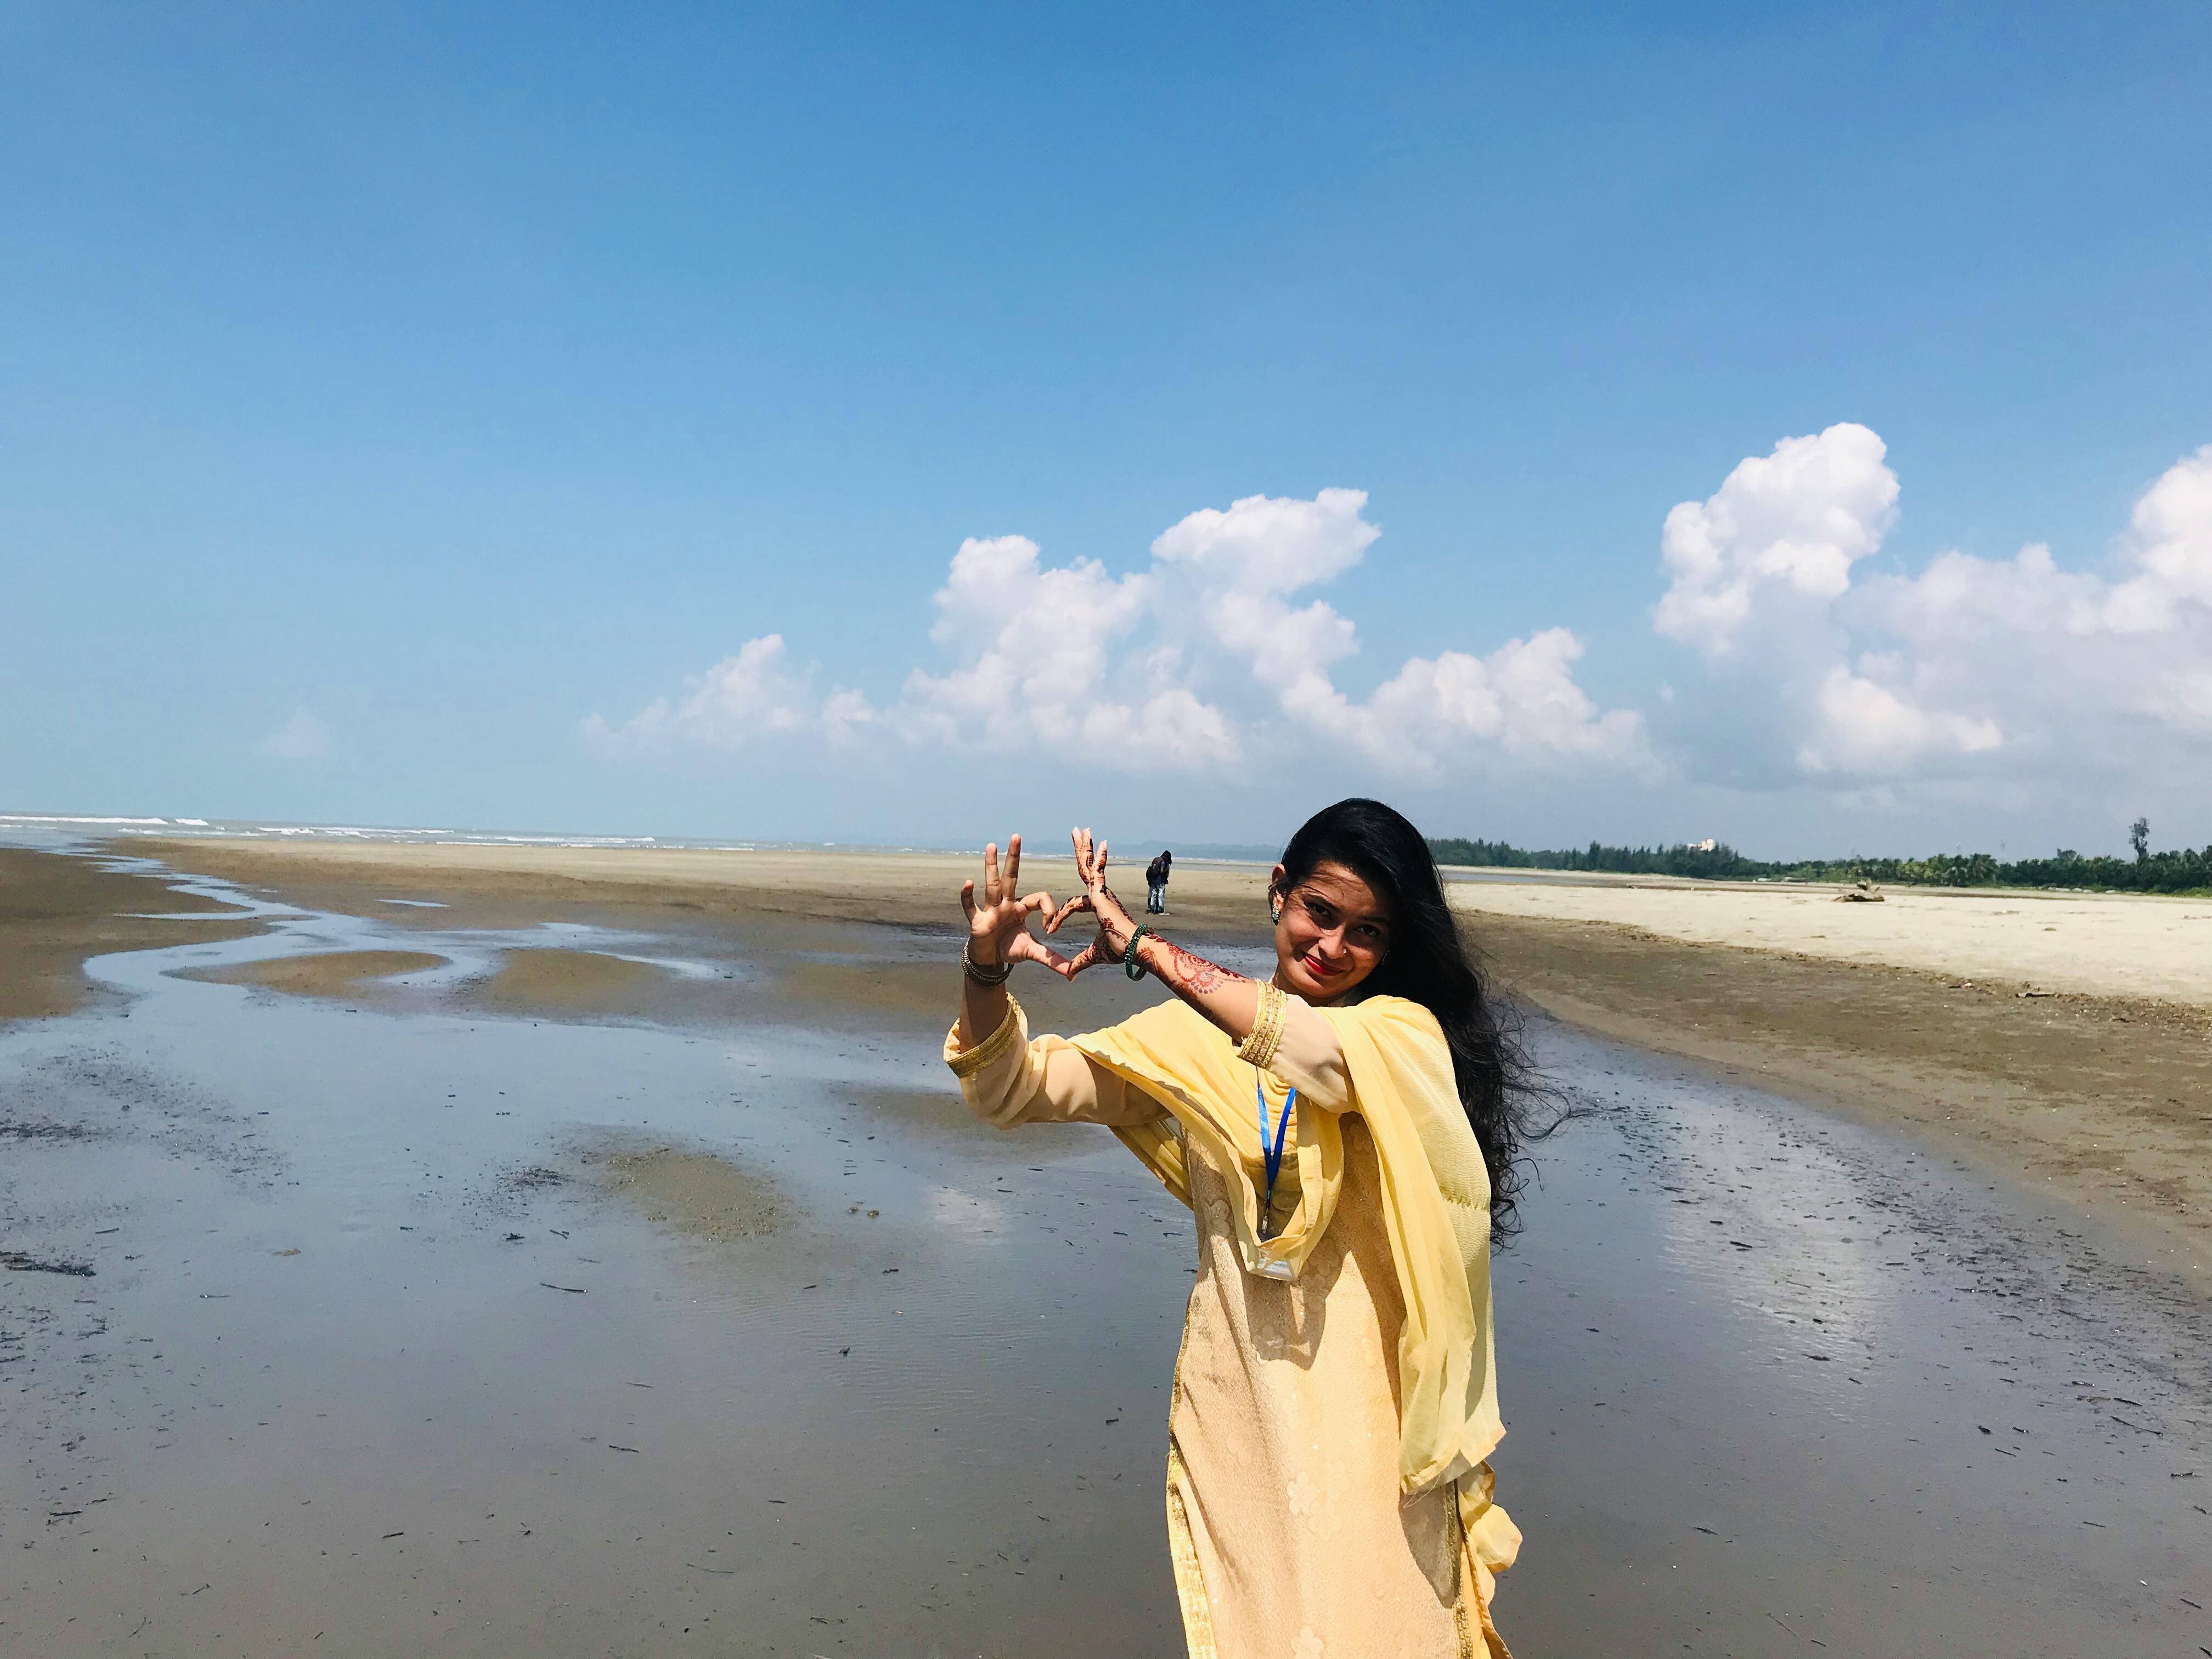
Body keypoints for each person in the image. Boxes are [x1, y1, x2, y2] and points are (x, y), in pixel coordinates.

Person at [946, 799, 1534, 1657]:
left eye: (1367, 932)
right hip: (1246, 1426)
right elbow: (1013, 1088)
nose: (1333, 946)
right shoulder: (1194, 1042)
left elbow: (1313, 1057)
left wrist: (1142, 946)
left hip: (1376, 1440)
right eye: (1319, 913)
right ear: (1278, 893)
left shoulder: (1400, 1039)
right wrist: (986, 970)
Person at [1146, 848, 1173, 914]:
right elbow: (1161, 871)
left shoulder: (1156, 860)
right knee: (1161, 895)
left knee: (1154, 894)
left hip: (1153, 881)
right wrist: (1166, 871)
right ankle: (1161, 910)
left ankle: (1152, 910)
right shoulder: (1163, 862)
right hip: (1160, 881)